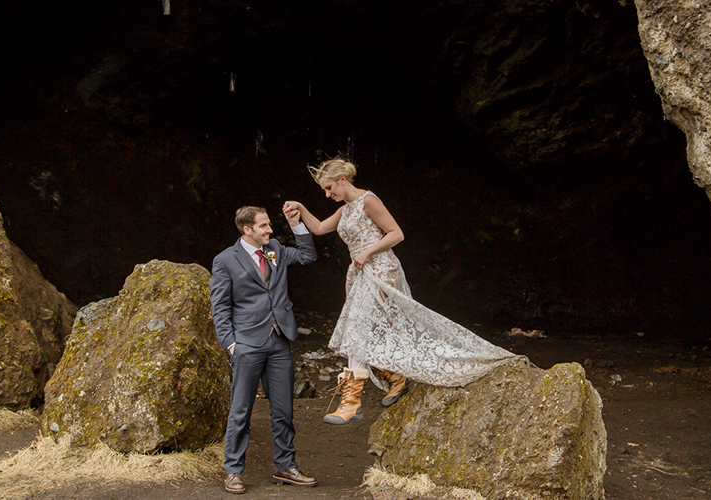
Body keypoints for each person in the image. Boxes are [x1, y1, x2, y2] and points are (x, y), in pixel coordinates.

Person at [282, 158, 519, 426]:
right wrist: (299, 211)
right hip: (360, 273)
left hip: (381, 269)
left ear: (342, 180)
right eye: (324, 191)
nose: (328, 195)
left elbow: (396, 234)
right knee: (366, 330)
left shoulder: (368, 200)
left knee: (358, 327)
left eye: (329, 188)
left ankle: (351, 402)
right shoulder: (346, 210)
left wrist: (368, 251)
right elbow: (320, 228)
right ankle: (396, 378)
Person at [209, 205, 318, 494]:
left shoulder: (276, 250)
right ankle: (233, 470)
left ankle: (285, 466)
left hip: (279, 340)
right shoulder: (225, 260)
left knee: (284, 409)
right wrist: (231, 344)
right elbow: (219, 307)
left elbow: (308, 256)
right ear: (247, 230)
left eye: (269, 225)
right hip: (246, 344)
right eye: (264, 226)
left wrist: (297, 225)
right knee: (240, 410)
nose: (270, 230)